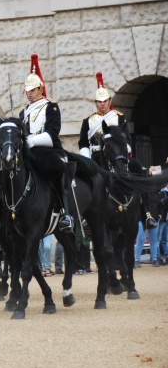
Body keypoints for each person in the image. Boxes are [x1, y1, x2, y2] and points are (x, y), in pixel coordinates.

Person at [78, 71, 157, 229]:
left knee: (139, 171)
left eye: (105, 101)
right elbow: (83, 143)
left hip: (118, 156)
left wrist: (121, 151)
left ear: (109, 101)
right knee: (84, 178)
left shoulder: (119, 117)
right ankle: (85, 215)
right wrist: (86, 159)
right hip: (97, 156)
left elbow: (128, 140)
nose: (102, 104)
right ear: (96, 102)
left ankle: (146, 213)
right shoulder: (88, 120)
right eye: (99, 102)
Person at [19, 53, 74, 232]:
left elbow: (52, 133)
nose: (29, 93)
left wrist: (31, 140)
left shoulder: (51, 106)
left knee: (57, 170)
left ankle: (66, 213)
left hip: (48, 149)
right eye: (27, 90)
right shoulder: (23, 112)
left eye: (32, 90)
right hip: (28, 151)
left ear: (40, 89)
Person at [157, 183, 168, 264]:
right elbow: (160, 205)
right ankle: (157, 257)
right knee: (158, 238)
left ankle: (167, 256)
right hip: (163, 218)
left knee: (165, 239)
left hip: (166, 219)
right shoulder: (162, 192)